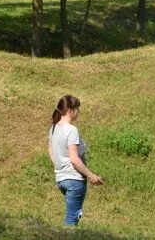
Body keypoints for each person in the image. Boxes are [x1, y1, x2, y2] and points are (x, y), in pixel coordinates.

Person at [48, 95, 104, 226]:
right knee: (71, 221)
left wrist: (60, 165)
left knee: (71, 217)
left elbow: (51, 150)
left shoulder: (54, 128)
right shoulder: (71, 130)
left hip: (61, 179)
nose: (78, 112)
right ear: (70, 110)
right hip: (74, 180)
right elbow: (74, 158)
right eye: (77, 109)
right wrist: (91, 176)